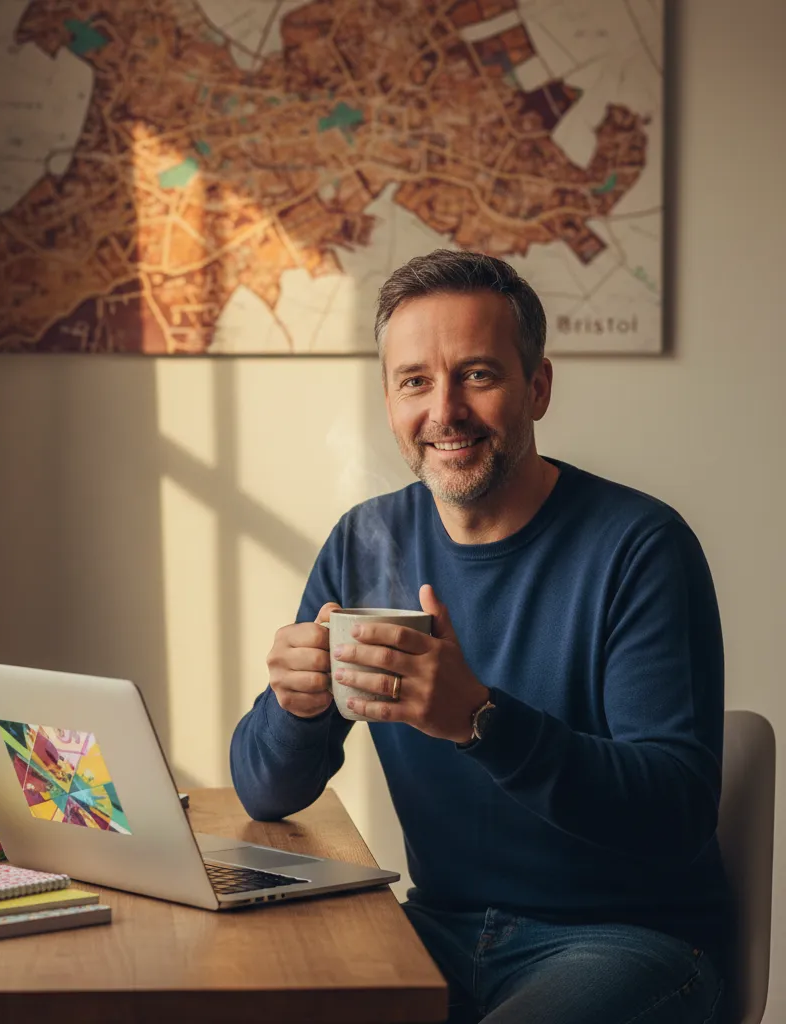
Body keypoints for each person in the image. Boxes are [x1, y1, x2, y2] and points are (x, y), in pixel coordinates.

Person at [230, 250, 729, 1023]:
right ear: (390, 400)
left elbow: (676, 810)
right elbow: (267, 792)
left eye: (478, 375)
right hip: (440, 925)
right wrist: (292, 709)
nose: (445, 411)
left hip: (631, 942)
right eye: (416, 381)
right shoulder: (367, 541)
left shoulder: (641, 546)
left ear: (538, 387)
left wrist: (479, 721)